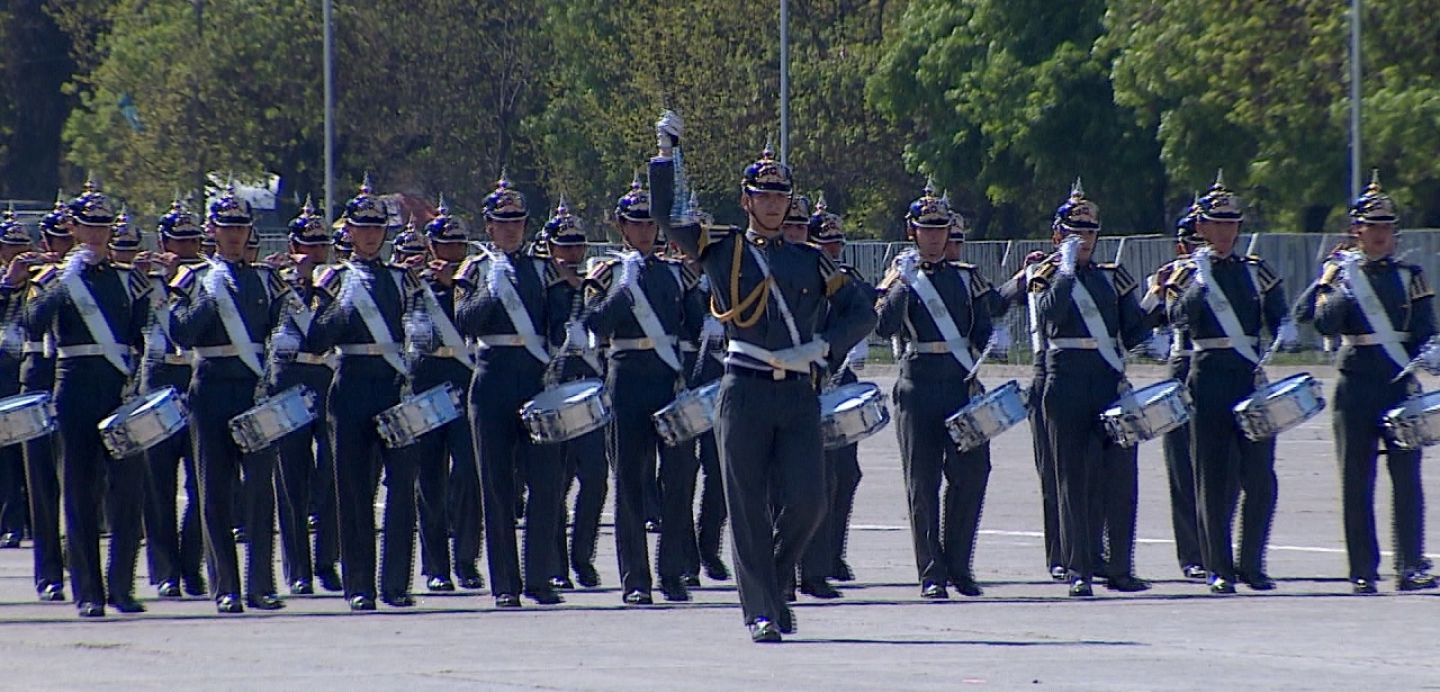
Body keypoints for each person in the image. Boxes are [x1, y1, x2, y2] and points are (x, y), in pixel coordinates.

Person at [649, 111, 876, 643]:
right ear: (747, 200)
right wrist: (667, 154)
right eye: (763, 195)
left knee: (809, 501)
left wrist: (826, 346)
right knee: (746, 504)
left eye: (781, 197)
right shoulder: (723, 247)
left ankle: (772, 580)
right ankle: (762, 611)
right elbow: (668, 215)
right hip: (743, 389)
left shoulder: (811, 259)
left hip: (798, 392)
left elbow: (862, 311)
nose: (773, 204)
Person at [170, 184, 313, 613]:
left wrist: (297, 287)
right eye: (226, 227)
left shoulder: (266, 280)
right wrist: (212, 301)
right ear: (212, 230)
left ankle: (259, 584)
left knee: (259, 492)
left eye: (241, 227)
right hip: (211, 385)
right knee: (214, 490)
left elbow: (285, 326)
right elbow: (182, 333)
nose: (234, 236)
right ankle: (226, 587)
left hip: (253, 387)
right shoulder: (196, 279)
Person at [1298, 173, 1438, 594]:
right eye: (1372, 228)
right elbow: (1318, 319)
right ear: (1356, 232)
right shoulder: (1341, 277)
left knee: (1407, 478)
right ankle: (1362, 568)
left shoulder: (1410, 275)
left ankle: (1410, 563)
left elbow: (1427, 329)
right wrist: (1330, 277)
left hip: (1397, 382)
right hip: (1356, 382)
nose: (1381, 236)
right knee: (1357, 480)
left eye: (1387, 228)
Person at [24, 179, 153, 617]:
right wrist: (65, 281)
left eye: (103, 227)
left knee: (127, 494)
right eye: (88, 227)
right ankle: (87, 593)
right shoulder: (54, 278)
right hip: (74, 387)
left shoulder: (124, 279)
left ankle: (121, 587)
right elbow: (32, 324)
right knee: (78, 493)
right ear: (74, 229)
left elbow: (141, 332)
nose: (97, 236)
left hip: (117, 389)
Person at [1167, 171, 1295, 594]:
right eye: (1216, 224)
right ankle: (1217, 566)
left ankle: (1252, 563)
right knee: (1211, 477)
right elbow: (1179, 317)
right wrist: (1199, 282)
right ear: (1200, 228)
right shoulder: (1186, 272)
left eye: (1231, 224)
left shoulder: (1256, 271)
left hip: (1248, 377)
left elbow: (1279, 316)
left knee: (1260, 477)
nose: (1224, 232)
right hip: (1206, 377)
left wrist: (1285, 331)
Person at [305, 176, 425, 610]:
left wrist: (416, 346)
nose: (372, 236)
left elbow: (422, 328)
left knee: (402, 490)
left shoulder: (402, 280)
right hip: (352, 382)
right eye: (364, 228)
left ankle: (396, 582)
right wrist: (342, 306)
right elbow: (316, 339)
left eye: (378, 229)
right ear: (349, 233)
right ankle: (360, 585)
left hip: (394, 384)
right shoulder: (335, 280)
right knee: (353, 492)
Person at [583, 177, 702, 604]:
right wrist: (624, 290)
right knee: (630, 481)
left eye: (652, 224)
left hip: (667, 378)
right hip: (627, 376)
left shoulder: (674, 273)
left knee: (678, 479)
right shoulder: (608, 272)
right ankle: (636, 579)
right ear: (622, 227)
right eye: (637, 224)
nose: (646, 231)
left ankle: (673, 573)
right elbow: (593, 324)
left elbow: (694, 329)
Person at [1031, 180, 1152, 597]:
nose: (1084, 240)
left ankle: (1119, 566)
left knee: (1120, 478)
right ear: (1058, 235)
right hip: (1064, 381)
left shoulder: (1113, 277)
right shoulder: (1045, 275)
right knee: (1072, 480)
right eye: (1074, 232)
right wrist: (1064, 270)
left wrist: (1167, 305)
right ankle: (1078, 567)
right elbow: (1048, 318)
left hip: (1107, 381)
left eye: (1090, 233)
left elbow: (1134, 330)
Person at [876, 183, 994, 599]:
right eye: (926, 230)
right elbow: (884, 327)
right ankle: (931, 571)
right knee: (921, 482)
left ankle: (959, 565)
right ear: (912, 232)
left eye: (940, 230)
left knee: (972, 474)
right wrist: (901, 286)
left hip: (959, 383)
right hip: (917, 383)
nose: (934, 238)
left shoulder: (966, 278)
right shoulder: (899, 277)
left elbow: (985, 324)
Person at [454, 174, 566, 608]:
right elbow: (465, 322)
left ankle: (539, 577)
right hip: (492, 378)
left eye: (518, 221)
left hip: (534, 378)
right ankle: (505, 583)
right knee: (496, 486)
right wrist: (493, 290)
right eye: (503, 222)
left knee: (545, 483)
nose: (512, 229)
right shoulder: (475, 270)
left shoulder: (543, 268)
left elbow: (558, 320)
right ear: (489, 226)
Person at [412, 199, 485, 593]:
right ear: (431, 248)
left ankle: (467, 559)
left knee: (469, 475)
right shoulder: (413, 284)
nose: (452, 253)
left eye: (458, 246)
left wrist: (453, 286)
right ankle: (436, 565)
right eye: (444, 246)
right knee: (430, 479)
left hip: (464, 378)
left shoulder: (470, 285)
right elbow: (415, 332)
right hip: (427, 379)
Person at [799, 195, 871, 593]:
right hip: (806, 376)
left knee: (846, 473)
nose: (833, 250)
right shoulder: (802, 277)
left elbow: (867, 308)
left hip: (839, 379)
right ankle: (809, 560)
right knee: (815, 477)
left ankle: (832, 553)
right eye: (826, 244)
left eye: (838, 244)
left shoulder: (843, 277)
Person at [139, 198, 209, 599]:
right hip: (159, 377)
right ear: (163, 240)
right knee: (158, 483)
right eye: (177, 240)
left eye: (191, 241)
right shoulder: (145, 280)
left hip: (197, 376)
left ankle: (191, 564)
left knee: (201, 484)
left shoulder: (207, 278)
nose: (183, 249)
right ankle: (165, 570)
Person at [270, 197, 337, 595]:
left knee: (331, 474)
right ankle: (298, 567)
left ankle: (327, 560)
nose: (314, 253)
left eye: (321, 246)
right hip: (290, 374)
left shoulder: (340, 281)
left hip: (326, 374)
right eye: (307, 245)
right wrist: (297, 280)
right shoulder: (276, 280)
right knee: (290, 476)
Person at [541, 201, 609, 589]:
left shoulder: (595, 287)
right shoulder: (544, 289)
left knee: (596, 480)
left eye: (578, 246)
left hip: (591, 390)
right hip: (554, 390)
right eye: (564, 246)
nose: (572, 253)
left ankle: (583, 556)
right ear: (550, 249)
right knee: (555, 484)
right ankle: (556, 562)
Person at [1138, 201, 1207, 580]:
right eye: (1192, 243)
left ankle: (1219, 547)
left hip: (1228, 368)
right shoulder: (1173, 278)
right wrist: (1155, 290)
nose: (1199, 249)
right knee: (1182, 465)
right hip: (1183, 366)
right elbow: (1142, 321)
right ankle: (1192, 554)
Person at [14, 194, 73, 601]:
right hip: (39, 375)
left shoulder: (96, 272)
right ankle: (49, 572)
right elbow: (25, 327)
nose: (68, 247)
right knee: (42, 484)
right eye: (60, 239)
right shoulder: (35, 277)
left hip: (79, 376)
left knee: (82, 479)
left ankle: (80, 560)